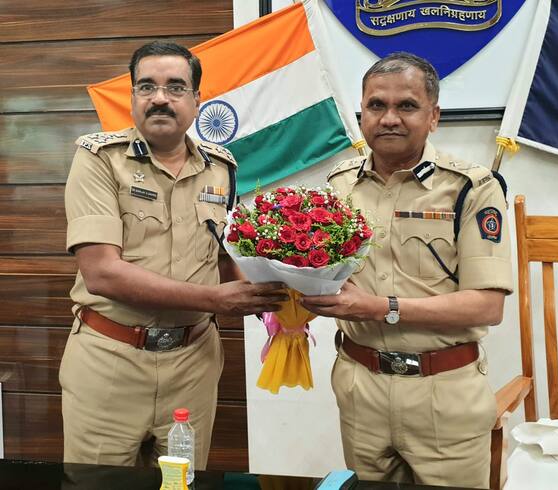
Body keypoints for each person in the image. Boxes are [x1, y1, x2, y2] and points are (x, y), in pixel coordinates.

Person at [60, 41, 287, 467]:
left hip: (193, 362)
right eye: (147, 86)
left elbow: (223, 257)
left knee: (182, 482)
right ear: (132, 96)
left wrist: (281, 305)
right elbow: (102, 273)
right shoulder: (99, 159)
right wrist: (215, 300)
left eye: (175, 87)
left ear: (197, 100)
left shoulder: (222, 167)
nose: (160, 98)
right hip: (110, 360)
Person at [301, 52, 512, 488]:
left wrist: (381, 307)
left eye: (407, 106)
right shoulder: (340, 185)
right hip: (360, 388)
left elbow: (487, 306)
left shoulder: (470, 188)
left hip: (444, 393)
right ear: (362, 114)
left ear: (433, 117)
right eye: (376, 105)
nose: (389, 118)